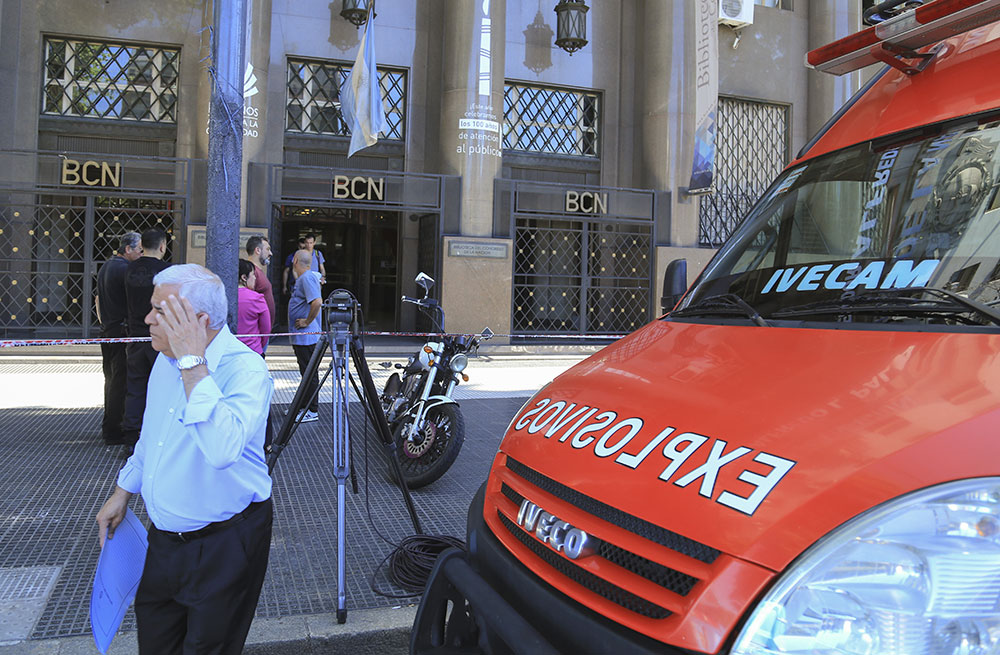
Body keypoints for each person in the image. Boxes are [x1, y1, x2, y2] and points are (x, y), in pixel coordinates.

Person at [95, 264, 273, 655]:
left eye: (160, 311)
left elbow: (222, 450)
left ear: (199, 321)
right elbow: (153, 438)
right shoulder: (165, 361)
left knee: (209, 646)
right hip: (164, 540)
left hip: (224, 542)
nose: (147, 319)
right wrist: (123, 490)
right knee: (156, 641)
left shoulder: (246, 370)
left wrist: (194, 364)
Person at [122, 228, 171, 446]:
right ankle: (157, 434)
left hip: (134, 334)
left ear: (142, 245)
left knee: (135, 386)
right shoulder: (167, 272)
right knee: (161, 387)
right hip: (158, 338)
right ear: (162, 246)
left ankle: (132, 436)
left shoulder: (129, 269)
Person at [95, 232, 142, 445]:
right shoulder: (125, 270)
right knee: (120, 382)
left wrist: (104, 322)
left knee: (111, 380)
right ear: (128, 249)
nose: (142, 254)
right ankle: (115, 430)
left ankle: (111, 426)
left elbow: (97, 299)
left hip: (109, 331)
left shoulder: (107, 266)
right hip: (121, 333)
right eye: (140, 249)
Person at [287, 249, 322, 423]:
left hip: (306, 336)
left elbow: (317, 302)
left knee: (309, 373)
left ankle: (312, 410)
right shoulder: (305, 278)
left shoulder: (307, 278)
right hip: (302, 337)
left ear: (294, 260)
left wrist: (307, 321)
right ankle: (302, 407)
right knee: (305, 372)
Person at [244, 235, 275, 349]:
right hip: (256, 335)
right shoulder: (251, 273)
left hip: (262, 333)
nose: (270, 253)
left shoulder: (257, 271)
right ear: (258, 250)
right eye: (267, 249)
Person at [237, 259, 270, 355]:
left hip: (229, 352)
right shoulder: (257, 299)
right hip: (253, 350)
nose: (255, 278)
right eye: (253, 275)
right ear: (244, 277)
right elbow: (266, 329)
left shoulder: (223, 296)